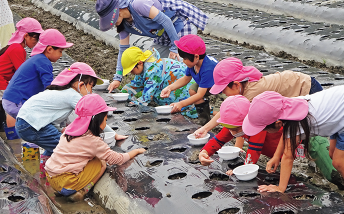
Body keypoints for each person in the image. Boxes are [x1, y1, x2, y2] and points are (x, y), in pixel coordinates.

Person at [16, 62, 127, 177]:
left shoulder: (60, 91)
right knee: (66, 147)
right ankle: (61, 177)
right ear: (81, 85)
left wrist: (61, 129)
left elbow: (48, 115)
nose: (91, 92)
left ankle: (45, 173)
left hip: (25, 122)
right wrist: (112, 134)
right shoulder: (73, 96)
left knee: (55, 145)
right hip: (31, 125)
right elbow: (94, 116)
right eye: (91, 87)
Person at [45, 94, 146, 202]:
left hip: (50, 176)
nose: (106, 123)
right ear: (97, 120)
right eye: (105, 120)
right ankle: (83, 191)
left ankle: (62, 190)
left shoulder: (69, 130)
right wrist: (136, 151)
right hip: (67, 183)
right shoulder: (93, 141)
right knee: (101, 162)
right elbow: (117, 159)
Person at [242, 87, 344, 193]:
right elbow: (287, 136)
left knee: (339, 163)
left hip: (340, 113)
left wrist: (280, 188)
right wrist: (276, 156)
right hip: (337, 117)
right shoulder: (289, 109)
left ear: (278, 123)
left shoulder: (295, 122)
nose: (265, 131)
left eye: (265, 129)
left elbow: (288, 157)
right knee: (332, 154)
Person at [193, 57, 323, 139]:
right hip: (296, 83)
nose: (223, 93)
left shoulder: (252, 94)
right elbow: (227, 113)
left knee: (314, 126)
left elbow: (235, 119)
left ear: (236, 84)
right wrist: (205, 128)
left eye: (224, 89)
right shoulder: (245, 85)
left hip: (306, 87)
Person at [95, 0, 208, 92]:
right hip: (161, 31)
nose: (113, 24)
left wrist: (175, 48)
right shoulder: (124, 25)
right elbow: (123, 50)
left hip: (180, 22)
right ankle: (158, 91)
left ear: (117, 12)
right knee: (152, 62)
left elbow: (166, 21)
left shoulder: (138, 5)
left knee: (179, 62)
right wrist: (117, 78)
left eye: (111, 20)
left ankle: (189, 95)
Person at [2, 29, 73, 131]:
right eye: (60, 51)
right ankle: (37, 144)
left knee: (32, 126)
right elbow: (49, 88)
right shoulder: (44, 62)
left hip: (10, 99)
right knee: (39, 126)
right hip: (17, 101)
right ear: (49, 49)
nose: (61, 55)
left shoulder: (37, 59)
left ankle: (16, 141)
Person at [199, 95, 282, 173]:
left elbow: (253, 152)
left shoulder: (258, 126)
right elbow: (218, 140)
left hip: (285, 151)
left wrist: (241, 170)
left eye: (236, 129)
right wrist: (205, 152)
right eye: (230, 129)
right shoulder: (233, 125)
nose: (233, 133)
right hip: (271, 153)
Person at [160, 35, 225, 125]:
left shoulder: (208, 69)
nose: (183, 61)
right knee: (192, 89)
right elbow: (186, 78)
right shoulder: (193, 64)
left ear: (196, 57)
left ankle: (227, 131)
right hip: (210, 86)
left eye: (185, 59)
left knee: (217, 114)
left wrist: (181, 104)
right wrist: (169, 88)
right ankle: (204, 121)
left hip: (224, 89)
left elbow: (200, 95)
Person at [120, 46, 197, 117]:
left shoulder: (153, 70)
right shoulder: (143, 68)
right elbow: (136, 84)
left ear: (140, 63)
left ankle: (193, 112)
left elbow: (147, 96)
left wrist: (134, 104)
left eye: (132, 70)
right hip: (172, 83)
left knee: (180, 105)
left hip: (183, 84)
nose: (131, 73)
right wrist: (122, 94)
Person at [0, 17, 44, 136]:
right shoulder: (17, 49)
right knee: (12, 105)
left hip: (3, 81)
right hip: (1, 82)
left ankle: (7, 136)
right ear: (26, 36)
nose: (36, 42)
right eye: (35, 38)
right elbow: (22, 73)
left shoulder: (15, 46)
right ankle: (13, 137)